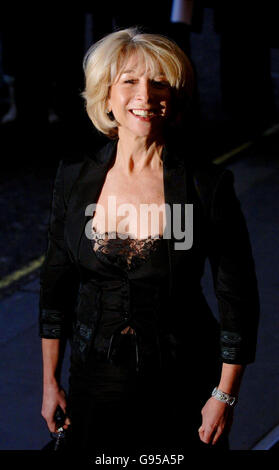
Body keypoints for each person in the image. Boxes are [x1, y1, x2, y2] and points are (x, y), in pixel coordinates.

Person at [39, 27, 260, 455]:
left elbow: (239, 299)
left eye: (159, 82)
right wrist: (50, 381)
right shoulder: (74, 178)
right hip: (93, 379)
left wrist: (224, 395)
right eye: (130, 81)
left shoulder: (206, 186)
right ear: (106, 96)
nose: (146, 94)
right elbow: (55, 286)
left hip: (182, 380)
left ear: (174, 97)